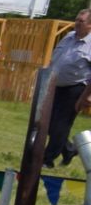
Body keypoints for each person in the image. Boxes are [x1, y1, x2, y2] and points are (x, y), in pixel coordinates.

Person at [40, 9, 91, 167]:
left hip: (75, 89)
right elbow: (56, 58)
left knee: (60, 126)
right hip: (55, 86)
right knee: (47, 124)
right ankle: (68, 149)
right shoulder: (68, 37)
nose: (76, 23)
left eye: (80, 21)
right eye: (76, 19)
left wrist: (86, 97)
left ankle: (47, 160)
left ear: (90, 25)